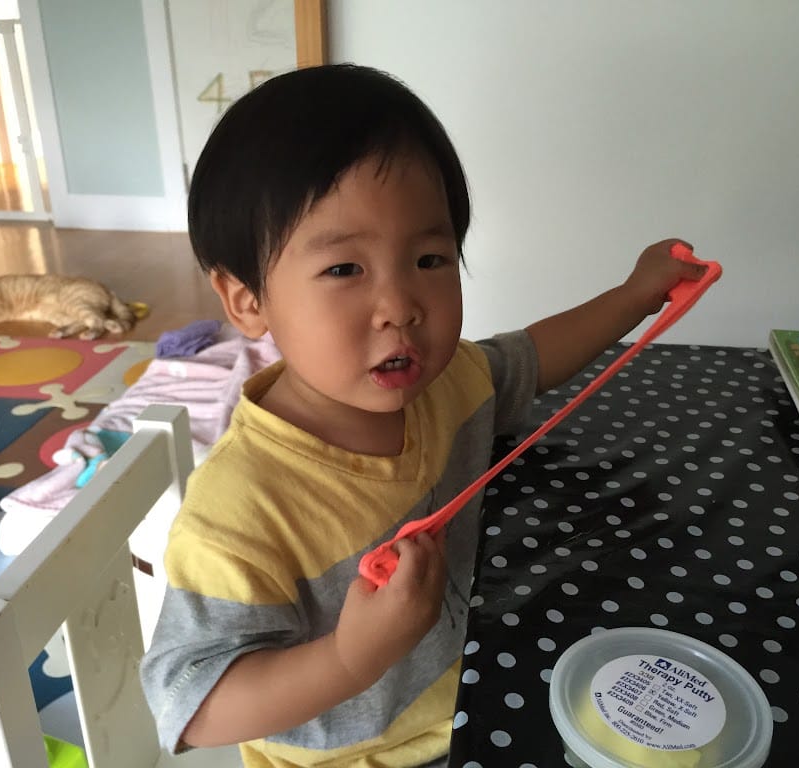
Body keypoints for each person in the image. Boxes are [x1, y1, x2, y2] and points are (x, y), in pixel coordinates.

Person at [140, 63, 705, 767]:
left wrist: (634, 295)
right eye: (345, 269)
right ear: (247, 300)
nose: (401, 306)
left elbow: (530, 358)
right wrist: (352, 656)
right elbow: (190, 705)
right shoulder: (239, 509)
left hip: (477, 688)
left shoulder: (446, 384)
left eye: (430, 259)